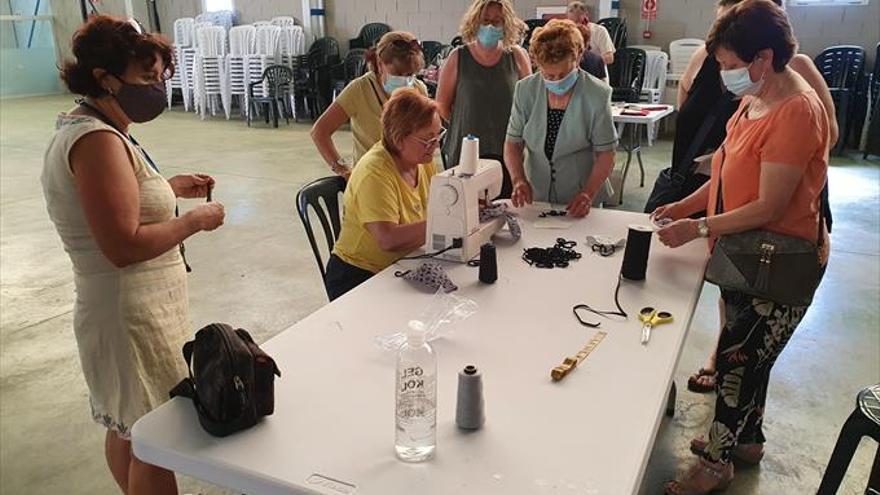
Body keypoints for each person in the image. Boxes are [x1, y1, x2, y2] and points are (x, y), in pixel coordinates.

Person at [41, 15, 225, 495]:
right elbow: (122, 245)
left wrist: (166, 188)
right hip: (128, 312)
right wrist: (194, 221)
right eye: (146, 78)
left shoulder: (95, 126)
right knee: (154, 437)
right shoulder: (98, 139)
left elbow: (113, 203)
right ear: (104, 78)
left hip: (131, 308)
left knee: (128, 427)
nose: (157, 88)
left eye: (162, 77)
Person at [654, 1, 830, 492]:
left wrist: (700, 228)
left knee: (737, 362)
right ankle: (746, 439)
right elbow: (727, 175)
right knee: (751, 356)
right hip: (746, 256)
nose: (726, 75)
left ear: (763, 57)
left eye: (732, 66)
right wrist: (684, 207)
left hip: (780, 260)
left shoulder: (795, 111)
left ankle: (717, 462)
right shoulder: (755, 100)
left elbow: (769, 207)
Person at [325, 89, 442, 300]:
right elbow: (388, 239)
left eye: (438, 136)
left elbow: (437, 206)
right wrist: (446, 221)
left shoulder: (423, 163)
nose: (435, 146)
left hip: (400, 264)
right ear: (399, 139)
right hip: (358, 275)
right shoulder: (375, 171)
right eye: (428, 140)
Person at [504, 19, 617, 217]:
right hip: (536, 193)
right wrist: (518, 179)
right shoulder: (525, 90)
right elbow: (513, 143)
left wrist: (588, 193)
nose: (556, 81)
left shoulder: (597, 94)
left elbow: (606, 154)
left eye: (563, 74)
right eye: (548, 75)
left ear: (579, 56)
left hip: (580, 196)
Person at [310, 31, 427, 179]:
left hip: (407, 177)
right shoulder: (359, 89)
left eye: (410, 74)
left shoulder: (419, 89)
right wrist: (341, 168)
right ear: (380, 64)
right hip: (370, 178)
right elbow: (320, 131)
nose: (405, 80)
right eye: (398, 73)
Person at [436, 0, 531, 178]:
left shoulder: (517, 56)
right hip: (466, 148)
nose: (490, 26)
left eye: (497, 20)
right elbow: (442, 105)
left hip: (508, 148)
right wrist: (467, 121)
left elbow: (529, 103)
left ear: (506, 23)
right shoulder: (457, 57)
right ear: (474, 21)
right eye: (485, 20)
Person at [566, 1, 616, 65]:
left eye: (578, 21)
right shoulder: (567, 33)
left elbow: (609, 58)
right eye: (572, 22)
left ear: (586, 15)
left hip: (595, 70)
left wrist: (590, 60)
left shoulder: (600, 31)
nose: (576, 25)